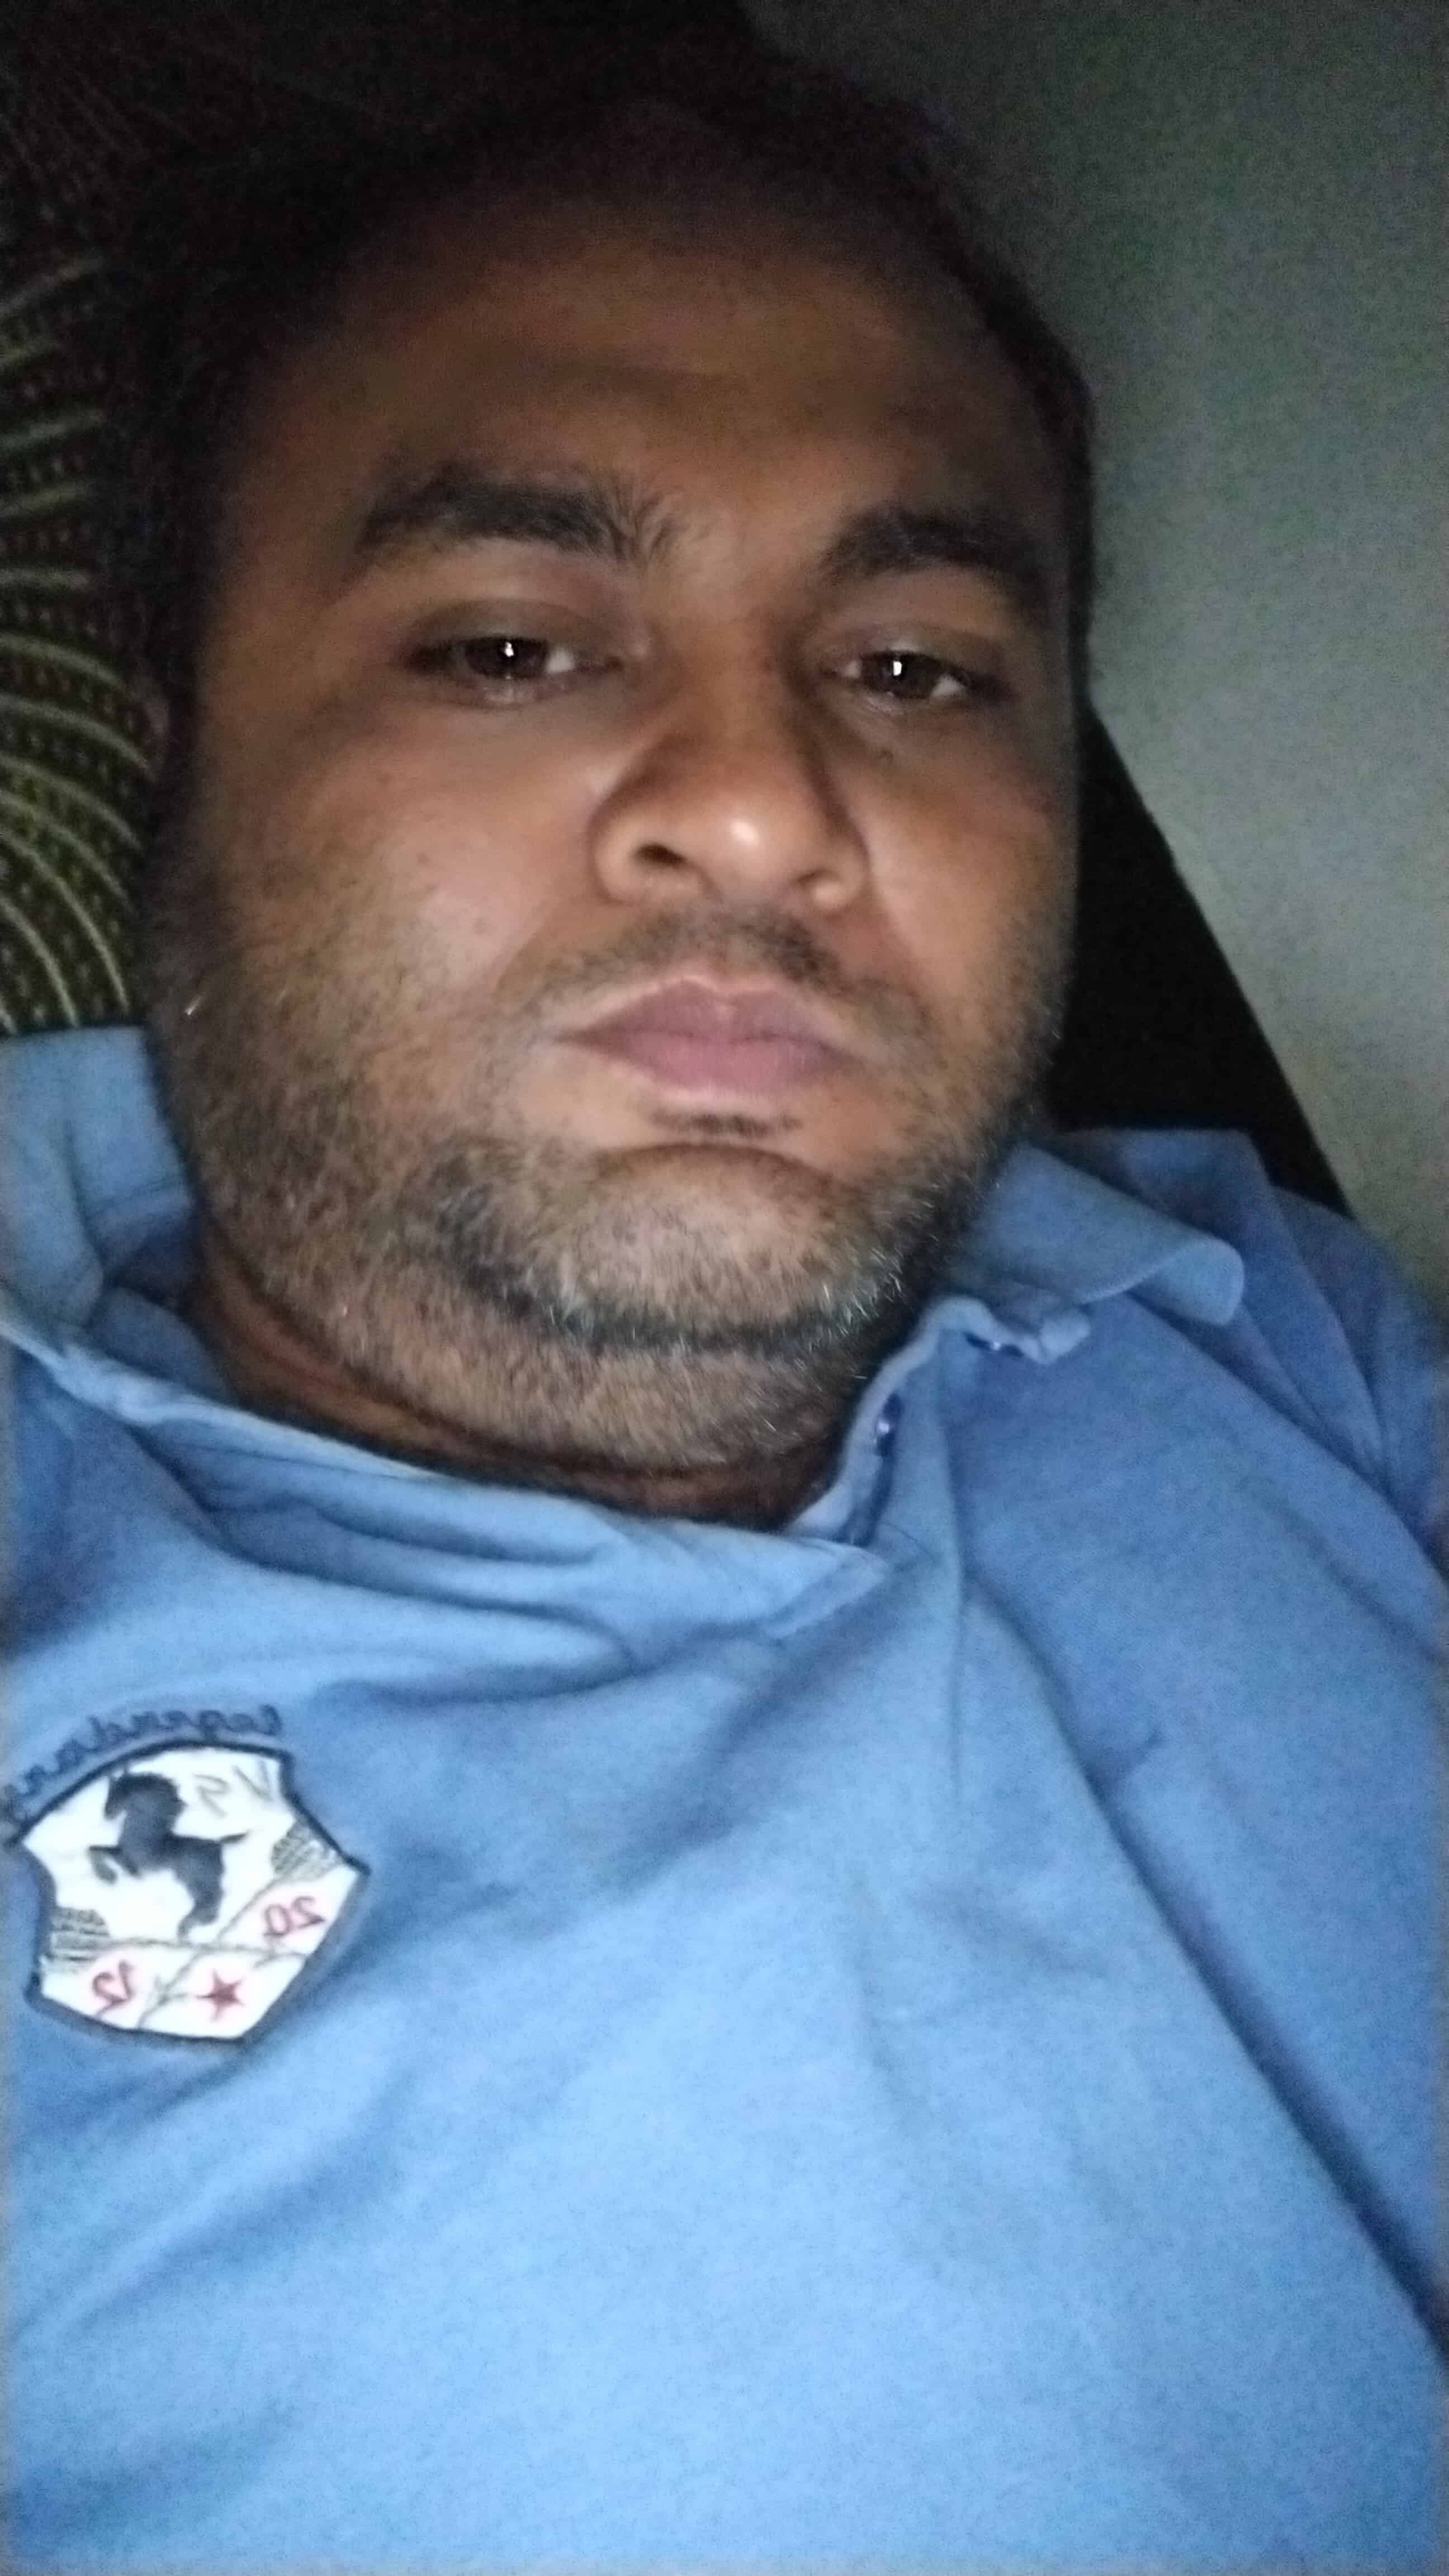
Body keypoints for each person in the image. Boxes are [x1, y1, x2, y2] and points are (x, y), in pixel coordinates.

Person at [3, 41, 1443, 2573]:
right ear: (178, 748)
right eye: (508, 644)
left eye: (914, 669)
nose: (771, 805)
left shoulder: (1259, 1321)